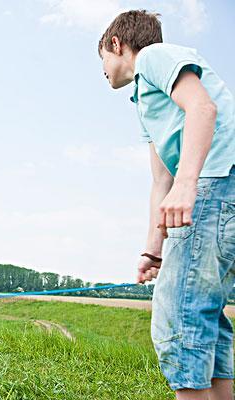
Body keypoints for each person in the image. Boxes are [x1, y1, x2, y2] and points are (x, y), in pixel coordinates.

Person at [99, 10, 235, 399]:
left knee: (177, 319)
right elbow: (162, 179)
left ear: (116, 45)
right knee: (204, 318)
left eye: (103, 62)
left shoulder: (154, 56)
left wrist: (189, 183)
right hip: (218, 191)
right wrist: (153, 249)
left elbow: (203, 108)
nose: (104, 71)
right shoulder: (144, 98)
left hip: (217, 182)